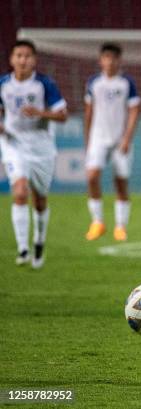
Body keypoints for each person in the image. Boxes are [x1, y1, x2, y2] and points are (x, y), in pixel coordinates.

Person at [0, 40, 68, 269]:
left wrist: (40, 112)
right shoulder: (3, 85)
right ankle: (23, 248)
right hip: (13, 144)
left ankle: (38, 241)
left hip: (41, 148)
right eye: (18, 55)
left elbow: (63, 115)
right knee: (19, 192)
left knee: (39, 200)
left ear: (34, 60)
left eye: (27, 56)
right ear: (11, 59)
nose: (23, 60)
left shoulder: (44, 85)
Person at [84, 42, 141, 242]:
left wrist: (127, 138)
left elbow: (134, 111)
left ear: (119, 60)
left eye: (113, 57)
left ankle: (120, 226)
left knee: (121, 181)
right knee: (92, 177)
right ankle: (97, 222)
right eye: (106, 57)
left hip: (120, 139)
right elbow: (88, 112)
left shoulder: (127, 83)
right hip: (98, 138)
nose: (109, 61)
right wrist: (87, 139)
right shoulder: (93, 83)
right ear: (101, 60)